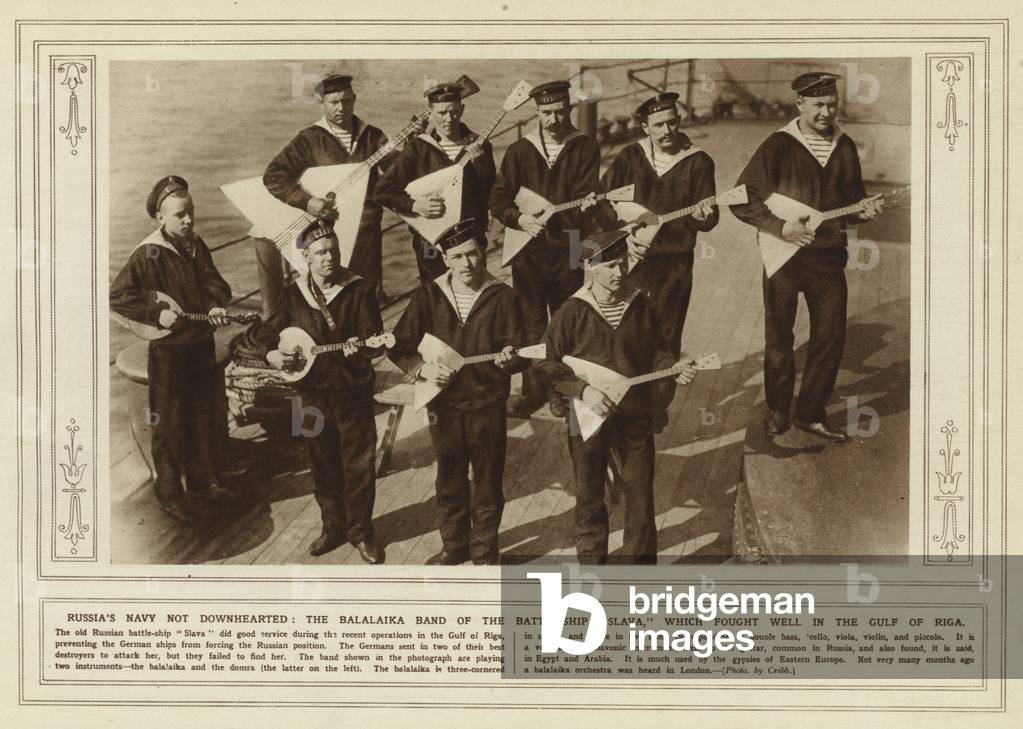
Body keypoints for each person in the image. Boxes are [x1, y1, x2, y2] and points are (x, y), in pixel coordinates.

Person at [731, 72, 883, 442]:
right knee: (780, 335)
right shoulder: (779, 144)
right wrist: (780, 227)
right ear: (799, 104)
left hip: (827, 257)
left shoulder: (844, 146)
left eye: (832, 104)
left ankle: (811, 412)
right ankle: (779, 407)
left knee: (830, 335)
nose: (826, 112)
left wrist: (860, 212)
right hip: (783, 257)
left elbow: (850, 200)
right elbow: (740, 197)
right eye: (817, 104)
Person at [535, 230, 696, 565]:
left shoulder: (640, 305)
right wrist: (582, 389)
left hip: (633, 414)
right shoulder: (571, 312)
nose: (618, 273)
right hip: (587, 416)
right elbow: (545, 363)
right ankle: (593, 565)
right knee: (589, 494)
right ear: (590, 268)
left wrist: (673, 368)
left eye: (622, 264)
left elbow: (659, 353)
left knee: (640, 494)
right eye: (608, 266)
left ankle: (640, 571)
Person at [388, 219, 527, 566]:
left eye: (472, 254)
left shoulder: (505, 297)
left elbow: (524, 350)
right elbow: (398, 345)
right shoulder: (428, 296)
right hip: (444, 405)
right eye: (457, 257)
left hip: (488, 403)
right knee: (449, 479)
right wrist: (420, 368)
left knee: (487, 481)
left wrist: (512, 359)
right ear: (445, 260)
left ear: (484, 253)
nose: (467, 264)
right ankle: (454, 546)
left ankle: (484, 552)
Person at [256, 218, 385, 562]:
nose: (329, 257)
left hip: (351, 391)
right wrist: (273, 354)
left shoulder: (360, 289)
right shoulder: (292, 294)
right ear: (306, 258)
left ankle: (361, 532)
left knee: (359, 465)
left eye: (333, 250)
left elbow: (376, 341)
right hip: (308, 394)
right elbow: (264, 333)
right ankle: (333, 527)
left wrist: (363, 348)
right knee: (320, 461)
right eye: (320, 252)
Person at [110, 176, 235, 522]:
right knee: (168, 424)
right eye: (180, 214)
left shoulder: (195, 244)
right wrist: (157, 312)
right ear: (160, 218)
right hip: (169, 354)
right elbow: (118, 296)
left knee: (201, 416)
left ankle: (200, 482)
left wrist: (215, 305)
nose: (189, 220)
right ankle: (168, 493)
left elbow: (215, 283)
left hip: (200, 345)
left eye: (191, 211)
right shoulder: (149, 252)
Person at [489, 80, 602, 413]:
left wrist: (588, 207)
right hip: (529, 247)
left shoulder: (585, 147)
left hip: (569, 243)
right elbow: (498, 199)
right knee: (530, 320)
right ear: (536, 112)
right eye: (545, 113)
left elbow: (587, 195)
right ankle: (532, 389)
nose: (553, 120)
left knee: (565, 318)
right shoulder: (520, 151)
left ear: (569, 109)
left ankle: (560, 389)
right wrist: (519, 219)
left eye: (559, 111)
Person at [595, 91, 719, 357]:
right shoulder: (630, 156)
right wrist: (622, 238)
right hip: (631, 258)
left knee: (667, 334)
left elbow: (710, 218)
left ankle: (661, 393)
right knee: (625, 329)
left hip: (674, 262)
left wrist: (703, 216)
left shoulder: (698, 162)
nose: (667, 130)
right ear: (645, 128)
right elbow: (602, 201)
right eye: (659, 125)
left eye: (672, 122)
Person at [263, 73, 393, 297]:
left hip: (367, 235)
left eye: (346, 100)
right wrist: (307, 201)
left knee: (366, 297)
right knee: (332, 299)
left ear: (354, 99)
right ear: (320, 102)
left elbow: (400, 171)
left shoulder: (372, 136)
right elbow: (274, 176)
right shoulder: (309, 139)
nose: (341, 107)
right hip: (327, 238)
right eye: (334, 102)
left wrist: (413, 149)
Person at [374, 81, 496, 284]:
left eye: (454, 112)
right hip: (430, 241)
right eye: (441, 113)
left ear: (462, 109)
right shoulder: (418, 148)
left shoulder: (479, 145)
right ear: (429, 113)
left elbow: (490, 194)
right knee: (436, 298)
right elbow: (382, 190)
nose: (449, 119)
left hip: (471, 238)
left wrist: (482, 164)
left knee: (473, 294)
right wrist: (415, 205)